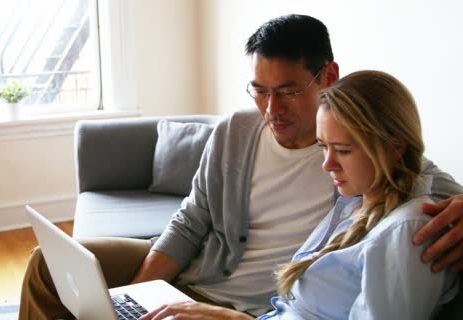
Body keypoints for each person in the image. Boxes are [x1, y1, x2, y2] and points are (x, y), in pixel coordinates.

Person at [18, 14, 463, 319]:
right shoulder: (236, 132)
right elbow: (192, 220)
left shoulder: (361, 151)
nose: (272, 109)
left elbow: (422, 183)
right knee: (46, 267)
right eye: (259, 90)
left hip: (259, 309)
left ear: (328, 76)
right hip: (201, 274)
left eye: (287, 91)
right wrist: (137, 296)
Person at [142, 70, 460, 319]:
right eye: (324, 147)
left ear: (394, 148)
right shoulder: (354, 202)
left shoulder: (407, 231)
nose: (327, 164)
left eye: (343, 150)